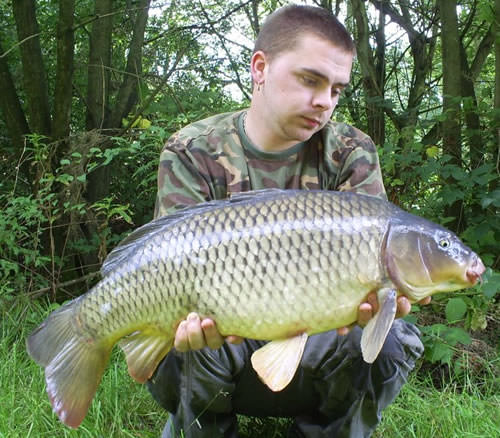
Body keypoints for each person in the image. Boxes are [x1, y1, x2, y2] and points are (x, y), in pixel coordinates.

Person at [147, 5, 428, 437]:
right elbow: (165, 267)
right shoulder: (193, 150)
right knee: (175, 340)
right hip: (222, 344)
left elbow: (375, 279)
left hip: (316, 344)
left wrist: (381, 300)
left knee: (392, 340)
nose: (325, 101)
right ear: (260, 68)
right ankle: (205, 428)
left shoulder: (351, 151)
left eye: (336, 89)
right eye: (310, 80)